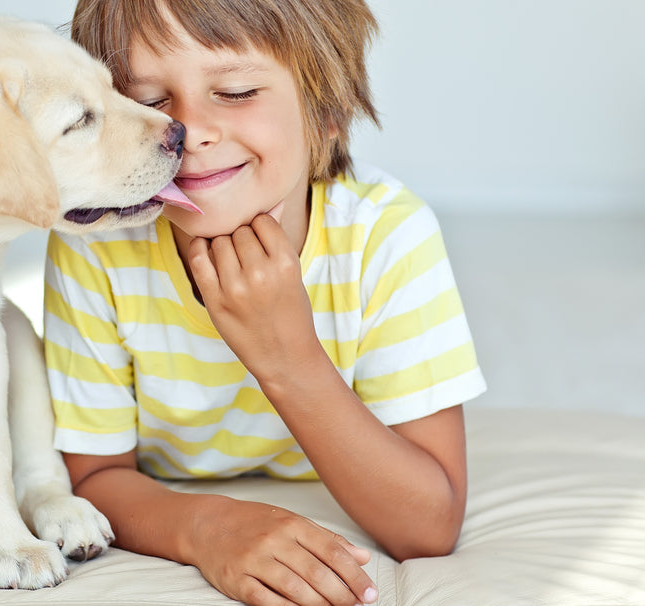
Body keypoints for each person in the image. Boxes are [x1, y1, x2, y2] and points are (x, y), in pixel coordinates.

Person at [43, 1, 487, 604]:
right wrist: (208, 528)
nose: (189, 130)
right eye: (148, 100)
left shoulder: (387, 235)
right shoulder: (97, 244)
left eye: (235, 91)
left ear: (327, 112)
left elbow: (429, 526)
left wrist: (286, 357)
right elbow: (93, 476)